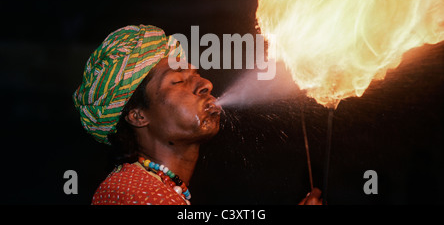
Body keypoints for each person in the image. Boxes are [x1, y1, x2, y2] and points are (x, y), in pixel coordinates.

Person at [73, 24, 322, 205]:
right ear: (138, 116)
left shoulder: (150, 189)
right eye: (178, 81)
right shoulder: (132, 194)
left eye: (195, 74)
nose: (205, 84)